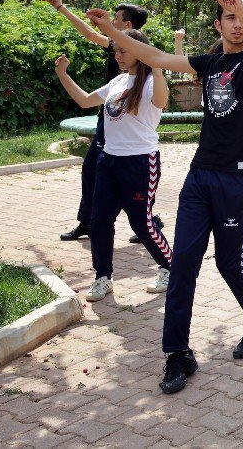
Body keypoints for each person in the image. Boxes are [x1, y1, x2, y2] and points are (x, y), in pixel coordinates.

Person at [88, 0, 243, 395]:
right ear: (218, 25)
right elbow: (153, 57)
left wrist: (240, 5)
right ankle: (177, 354)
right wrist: (110, 31)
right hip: (199, 178)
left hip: (239, 179)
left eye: (242, 16)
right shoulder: (209, 63)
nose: (237, 24)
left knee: (231, 263)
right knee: (183, 265)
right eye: (229, 18)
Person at [53, 29, 173, 300]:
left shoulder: (152, 81)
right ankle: (103, 277)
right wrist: (62, 74)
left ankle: (169, 267)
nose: (117, 55)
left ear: (139, 51)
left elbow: (162, 102)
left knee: (141, 223)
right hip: (109, 160)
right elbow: (85, 101)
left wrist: (158, 67)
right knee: (99, 221)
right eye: (116, 50)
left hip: (141, 162)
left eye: (123, 50)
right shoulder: (119, 81)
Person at [44, 0, 164, 244]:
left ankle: (147, 223)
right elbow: (86, 99)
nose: (118, 55)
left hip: (134, 140)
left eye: (116, 19)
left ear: (128, 26)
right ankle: (95, 223)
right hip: (110, 119)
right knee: (94, 173)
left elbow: (89, 34)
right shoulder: (120, 69)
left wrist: (61, 8)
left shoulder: (141, 63)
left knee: (130, 192)